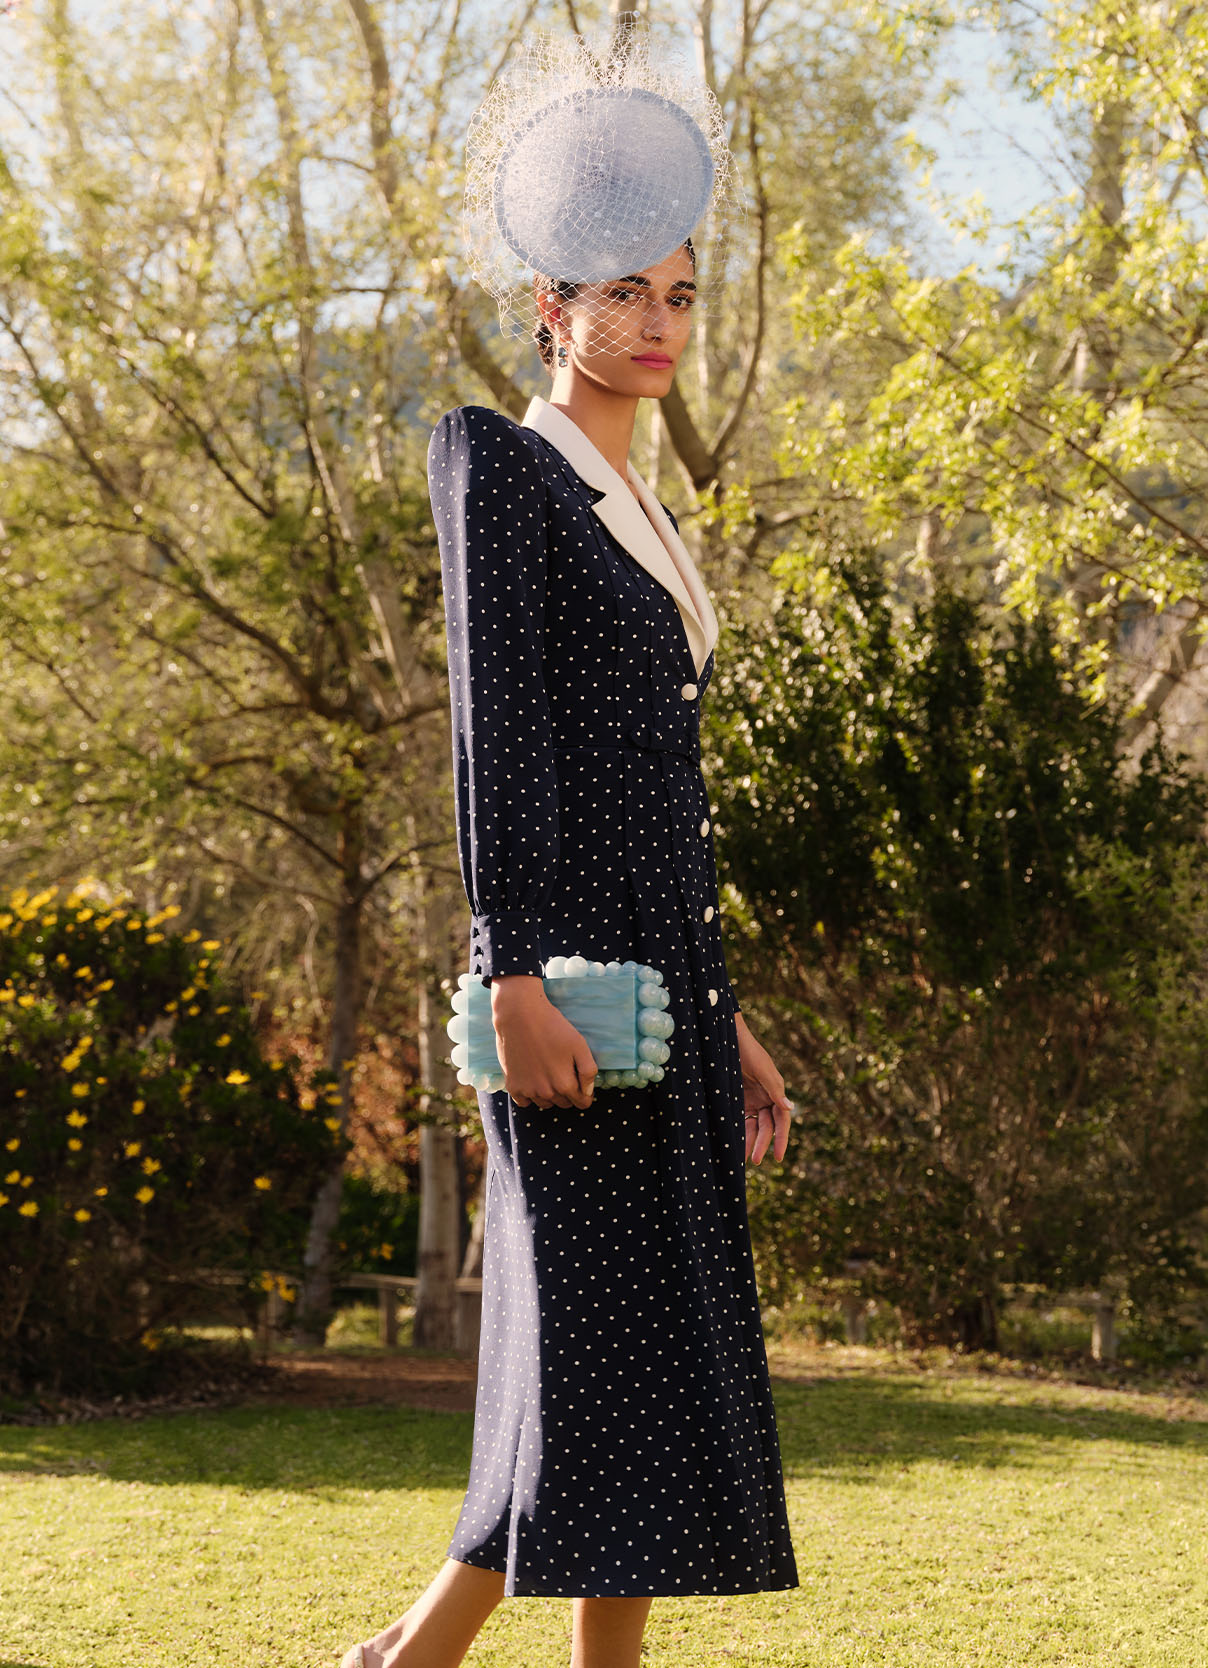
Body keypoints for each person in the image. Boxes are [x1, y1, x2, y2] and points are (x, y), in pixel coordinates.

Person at [339, 29, 799, 1668]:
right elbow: (500, 742)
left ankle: (412, 1659)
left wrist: (725, 1009)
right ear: (553, 304)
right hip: (561, 995)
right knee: (600, 1358)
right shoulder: (504, 462)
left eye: (679, 296)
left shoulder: (647, 504)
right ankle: (416, 1656)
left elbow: (659, 797)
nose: (657, 326)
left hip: (662, 989)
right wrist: (508, 965)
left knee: (633, 1367)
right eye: (625, 295)